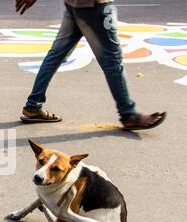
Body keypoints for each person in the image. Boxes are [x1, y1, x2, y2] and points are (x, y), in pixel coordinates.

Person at [15, 0, 166, 130]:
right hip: (95, 7)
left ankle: (33, 105)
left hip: (74, 5)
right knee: (112, 60)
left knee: (56, 55)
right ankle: (128, 114)